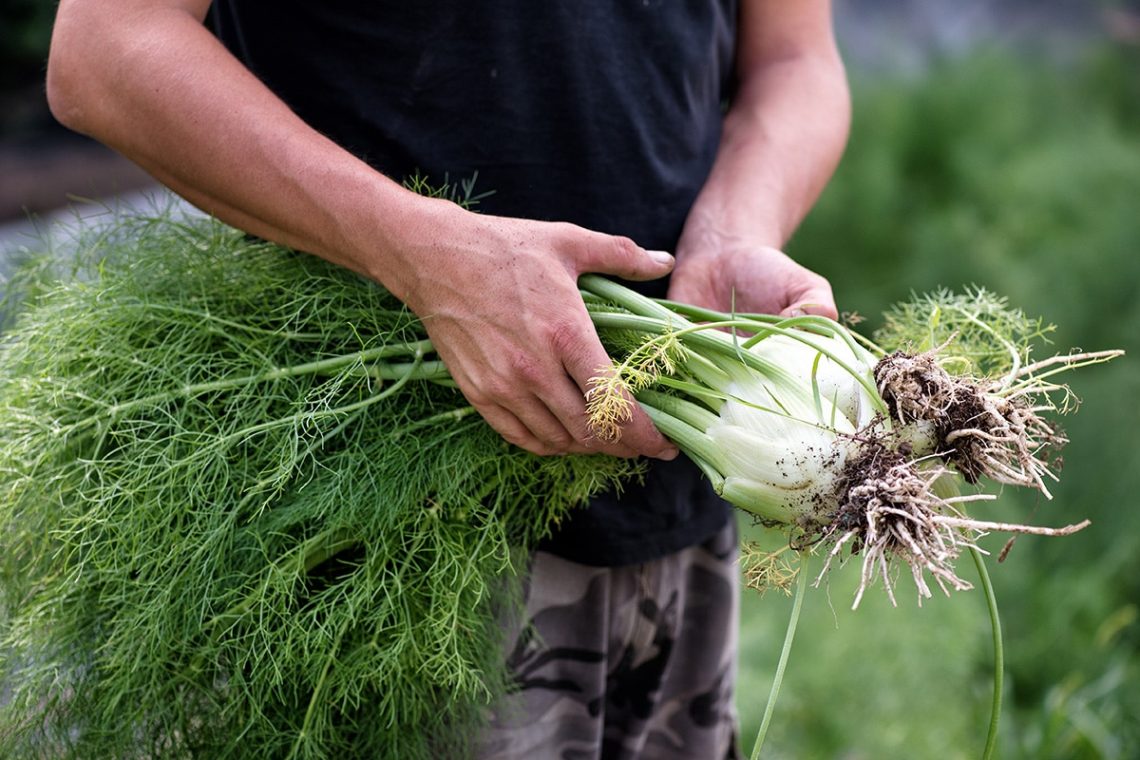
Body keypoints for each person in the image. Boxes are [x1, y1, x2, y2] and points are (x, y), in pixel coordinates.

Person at [46, 1, 850, 757]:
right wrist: (424, 254)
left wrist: (734, 229)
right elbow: (108, 43)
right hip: (384, 523)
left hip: (683, 488)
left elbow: (793, 59)